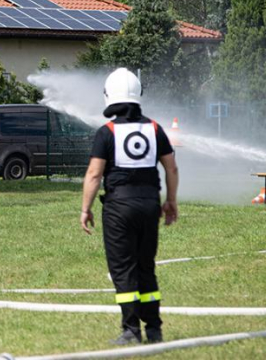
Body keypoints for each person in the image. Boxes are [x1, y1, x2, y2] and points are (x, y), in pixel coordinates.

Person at [80, 68, 179, 345]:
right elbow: (171, 167)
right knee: (146, 265)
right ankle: (155, 329)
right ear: (138, 94)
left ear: (109, 95)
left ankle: (131, 330)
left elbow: (94, 174)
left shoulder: (107, 132)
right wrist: (170, 201)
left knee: (123, 268)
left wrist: (85, 208)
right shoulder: (155, 129)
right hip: (150, 204)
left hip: (118, 207)